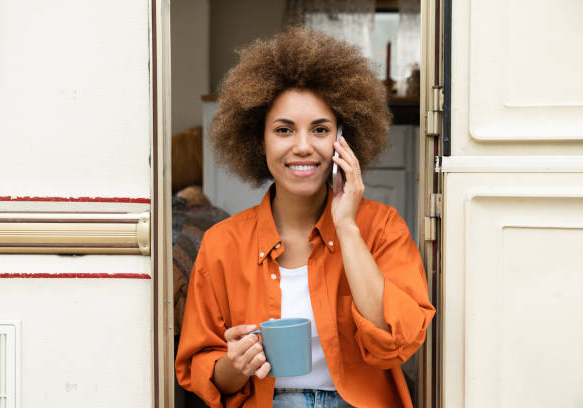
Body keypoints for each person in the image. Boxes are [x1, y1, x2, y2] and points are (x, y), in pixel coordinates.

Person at [175, 27, 435, 408]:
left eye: (320, 130)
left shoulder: (381, 227)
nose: (303, 147)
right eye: (284, 130)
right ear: (258, 140)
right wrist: (237, 364)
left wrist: (347, 226)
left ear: (342, 140)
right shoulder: (221, 243)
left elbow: (394, 343)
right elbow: (206, 375)